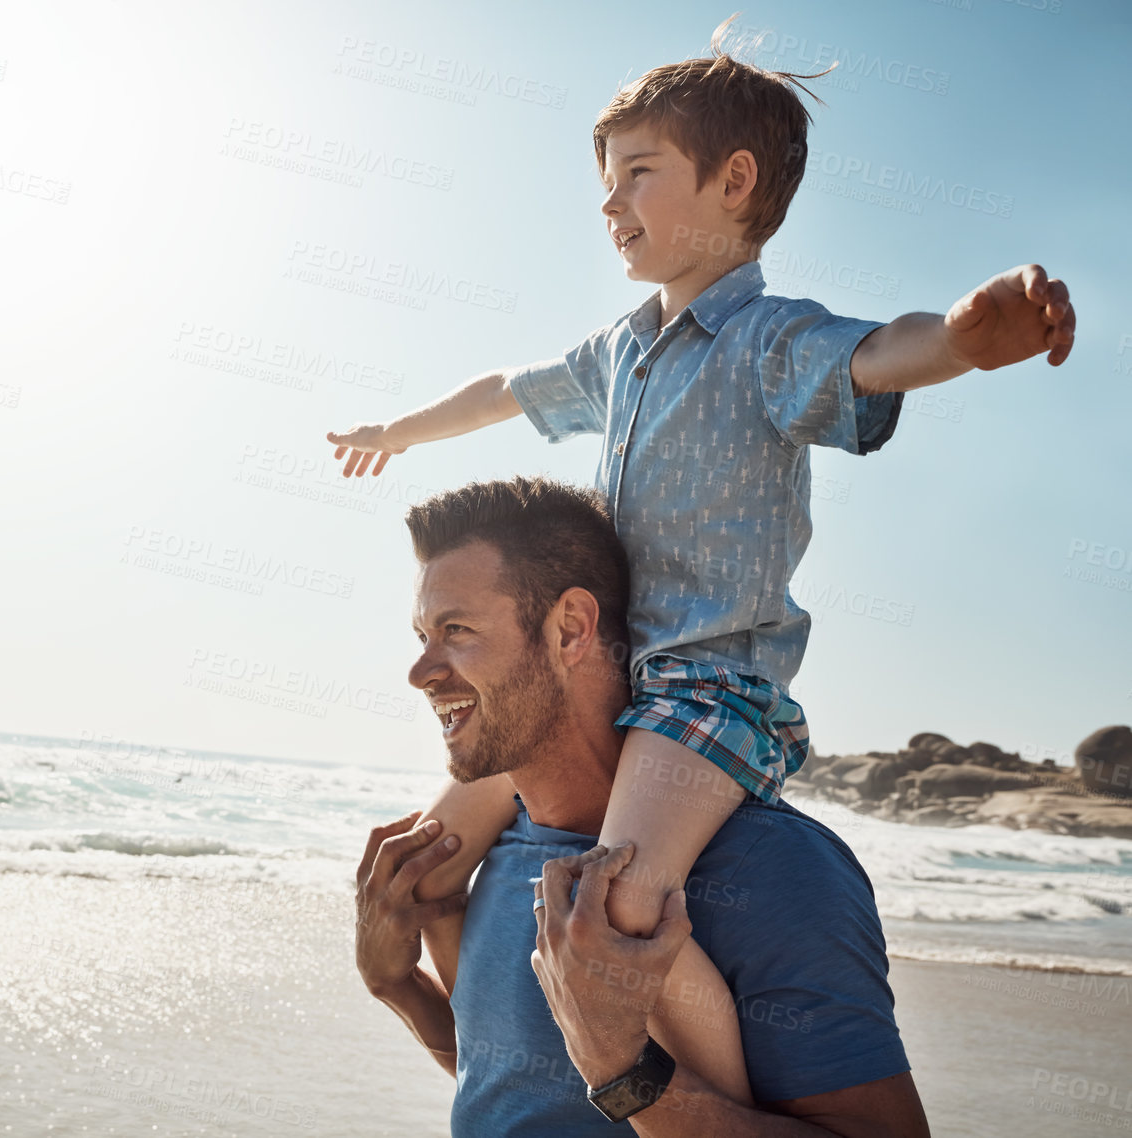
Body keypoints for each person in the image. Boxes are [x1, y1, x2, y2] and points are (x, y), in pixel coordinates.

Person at [329, 21, 1074, 1102]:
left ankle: (706, 1097)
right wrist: (396, 430)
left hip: (703, 692)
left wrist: (964, 338)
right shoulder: (620, 351)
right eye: (603, 176)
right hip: (608, 671)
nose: (608, 199)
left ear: (732, 183)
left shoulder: (768, 342)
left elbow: (876, 352)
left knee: (616, 903)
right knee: (430, 856)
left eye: (637, 173)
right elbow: (505, 387)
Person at [354, 476, 930, 1135]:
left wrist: (622, 1071)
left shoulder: (776, 867)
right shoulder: (498, 848)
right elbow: (509, 1089)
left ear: (570, 629)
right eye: (422, 635)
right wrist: (395, 987)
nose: (419, 671)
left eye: (455, 630)